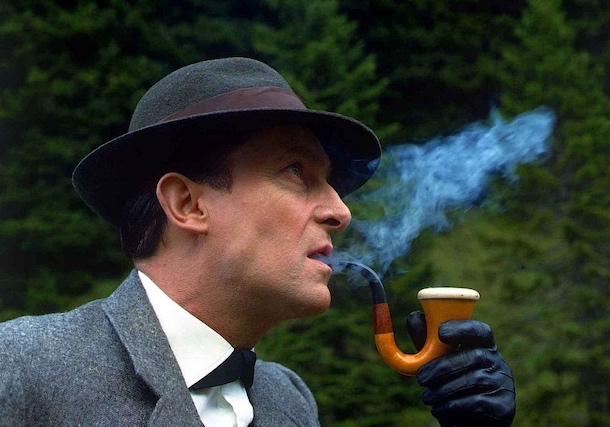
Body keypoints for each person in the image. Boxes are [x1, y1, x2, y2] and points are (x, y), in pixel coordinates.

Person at [0, 57, 515, 426]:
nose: (340, 211)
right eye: (296, 171)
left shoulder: (289, 402)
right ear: (187, 204)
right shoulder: (22, 368)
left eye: (330, 181)